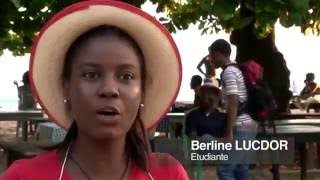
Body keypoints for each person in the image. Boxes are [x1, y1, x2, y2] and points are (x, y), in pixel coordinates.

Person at [2, 1, 188, 180]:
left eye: (126, 76)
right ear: (67, 87)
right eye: (91, 75)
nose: (109, 90)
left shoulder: (168, 173)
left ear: (142, 92)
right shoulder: (24, 176)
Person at [209, 39, 257, 180]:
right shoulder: (235, 69)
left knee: (225, 169)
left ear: (218, 54)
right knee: (240, 169)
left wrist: (228, 132)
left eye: (211, 55)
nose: (210, 59)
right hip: (249, 124)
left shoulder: (229, 73)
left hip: (241, 127)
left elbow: (233, 103)